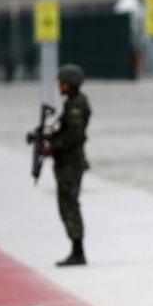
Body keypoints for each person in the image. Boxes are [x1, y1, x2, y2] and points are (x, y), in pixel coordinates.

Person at [44, 64, 92, 266]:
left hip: (70, 162)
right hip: (67, 161)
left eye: (62, 82)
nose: (59, 86)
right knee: (66, 204)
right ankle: (76, 249)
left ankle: (78, 251)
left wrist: (53, 147)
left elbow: (74, 135)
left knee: (69, 203)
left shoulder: (76, 105)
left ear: (70, 84)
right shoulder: (72, 103)